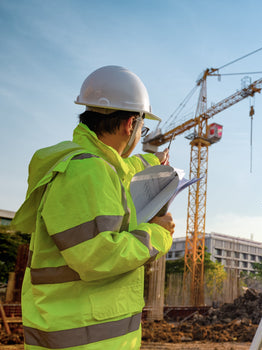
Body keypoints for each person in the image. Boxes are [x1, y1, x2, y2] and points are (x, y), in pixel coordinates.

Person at [12, 65, 175, 350]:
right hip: (80, 339)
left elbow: (121, 168)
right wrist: (158, 234)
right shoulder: (87, 171)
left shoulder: (95, 167)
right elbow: (98, 256)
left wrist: (151, 163)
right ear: (130, 125)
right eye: (142, 128)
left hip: (82, 332)